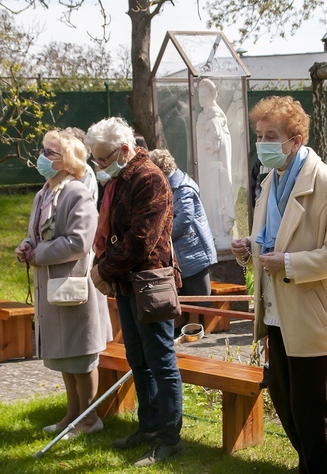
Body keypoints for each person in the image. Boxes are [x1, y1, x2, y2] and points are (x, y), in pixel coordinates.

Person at [231, 95, 327, 474]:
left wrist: (287, 263)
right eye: (259, 135)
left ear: (296, 139)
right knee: (285, 401)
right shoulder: (272, 179)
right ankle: (310, 467)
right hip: (277, 309)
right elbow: (273, 239)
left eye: (271, 135)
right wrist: (247, 250)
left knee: (310, 411)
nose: (262, 143)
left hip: (311, 310)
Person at [85, 117, 184, 467]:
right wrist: (106, 266)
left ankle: (170, 439)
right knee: (138, 360)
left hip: (148, 283)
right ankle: (149, 428)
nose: (98, 166)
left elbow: (141, 241)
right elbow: (115, 234)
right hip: (127, 282)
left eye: (102, 158)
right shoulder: (120, 178)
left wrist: (102, 269)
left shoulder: (149, 178)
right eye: (95, 159)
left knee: (161, 361)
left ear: (125, 150)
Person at [14, 130, 112, 439]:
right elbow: (37, 234)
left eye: (51, 152)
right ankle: (72, 415)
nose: (43, 156)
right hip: (52, 285)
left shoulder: (77, 193)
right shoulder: (43, 192)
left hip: (74, 288)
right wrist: (26, 246)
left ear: (67, 160)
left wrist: (38, 254)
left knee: (81, 357)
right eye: (43, 149)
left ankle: (90, 417)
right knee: (65, 357)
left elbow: (80, 242)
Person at [149, 148, 217, 334]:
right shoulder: (169, 184)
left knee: (195, 294)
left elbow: (184, 220)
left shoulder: (182, 187)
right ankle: (181, 327)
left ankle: (195, 329)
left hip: (192, 249)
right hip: (181, 250)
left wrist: (161, 238)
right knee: (181, 291)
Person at [196, 78, 235, 249]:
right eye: (199, 95)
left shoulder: (217, 117)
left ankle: (219, 231)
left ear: (212, 96)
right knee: (207, 196)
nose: (201, 99)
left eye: (204, 95)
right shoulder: (201, 116)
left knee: (216, 196)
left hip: (215, 168)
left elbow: (220, 143)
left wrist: (209, 144)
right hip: (204, 166)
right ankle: (209, 230)